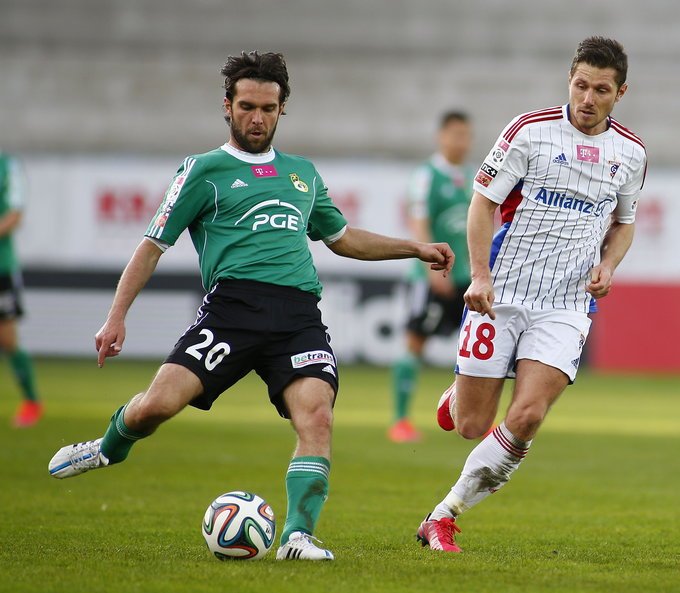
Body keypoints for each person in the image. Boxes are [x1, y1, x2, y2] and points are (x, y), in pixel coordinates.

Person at [46, 51, 454, 562]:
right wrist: (116, 316)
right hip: (232, 311)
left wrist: (414, 248)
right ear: (227, 106)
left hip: (298, 317)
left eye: (268, 107)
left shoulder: (302, 173)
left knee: (317, 419)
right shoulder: (203, 170)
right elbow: (152, 244)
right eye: (246, 106)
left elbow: (344, 239)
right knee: (157, 406)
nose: (256, 117)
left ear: (283, 109)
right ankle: (108, 446)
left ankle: (298, 537)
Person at [415, 37, 646, 552]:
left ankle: (444, 516)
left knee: (527, 418)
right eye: (580, 85)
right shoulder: (530, 132)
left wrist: (608, 265)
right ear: (570, 80)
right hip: (503, 292)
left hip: (566, 305)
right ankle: (461, 395)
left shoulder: (631, 153)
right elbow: (483, 203)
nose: (587, 98)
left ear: (620, 92)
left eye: (601, 90)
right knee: (472, 425)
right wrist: (479, 275)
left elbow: (624, 224)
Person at [389, 111, 473, 443]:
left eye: (466, 135)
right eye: (455, 134)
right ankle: (400, 420)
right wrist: (430, 269)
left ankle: (472, 417)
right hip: (431, 276)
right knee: (415, 343)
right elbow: (419, 220)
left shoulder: (471, 176)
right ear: (441, 137)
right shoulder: (427, 175)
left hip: (467, 276)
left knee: (478, 347)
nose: (461, 141)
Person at [0, 153, 42, 427]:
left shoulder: (9, 166)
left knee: (7, 340)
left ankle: (31, 401)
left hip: (2, 268)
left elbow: (15, 215)